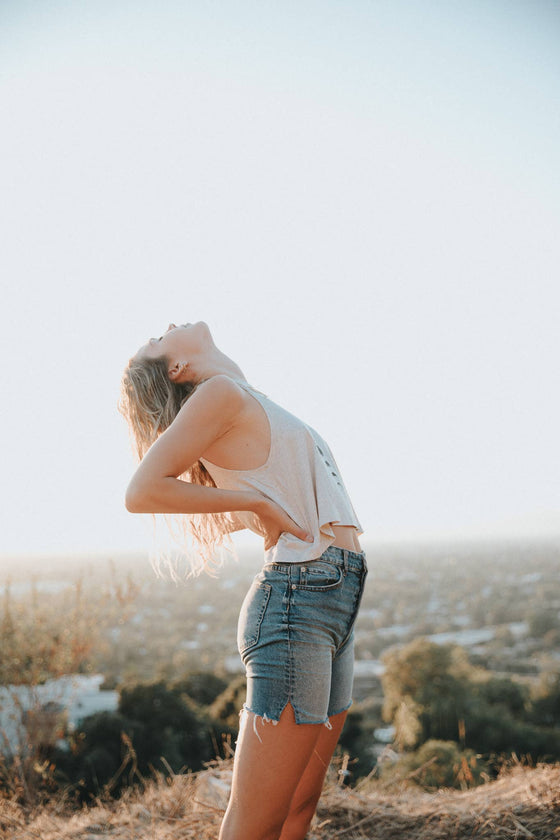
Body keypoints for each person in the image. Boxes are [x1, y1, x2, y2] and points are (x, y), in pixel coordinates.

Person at [119, 321, 367, 840]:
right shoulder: (218, 394)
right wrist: (254, 502)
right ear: (178, 368)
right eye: (157, 341)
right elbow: (141, 492)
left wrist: (254, 505)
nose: (164, 327)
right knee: (257, 825)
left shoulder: (241, 400)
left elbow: (273, 493)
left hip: (335, 597)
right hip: (299, 601)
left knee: (300, 806)